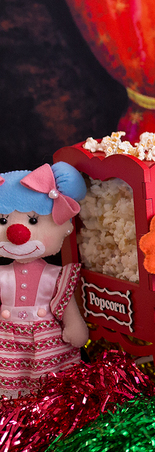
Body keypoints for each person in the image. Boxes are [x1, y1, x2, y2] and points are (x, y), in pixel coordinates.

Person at [0, 162, 88, 397]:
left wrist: (74, 326)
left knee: (51, 389)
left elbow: (66, 305)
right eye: (3, 221)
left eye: (33, 220)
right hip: (7, 341)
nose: (17, 234)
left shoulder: (56, 275)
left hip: (47, 340)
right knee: (10, 387)